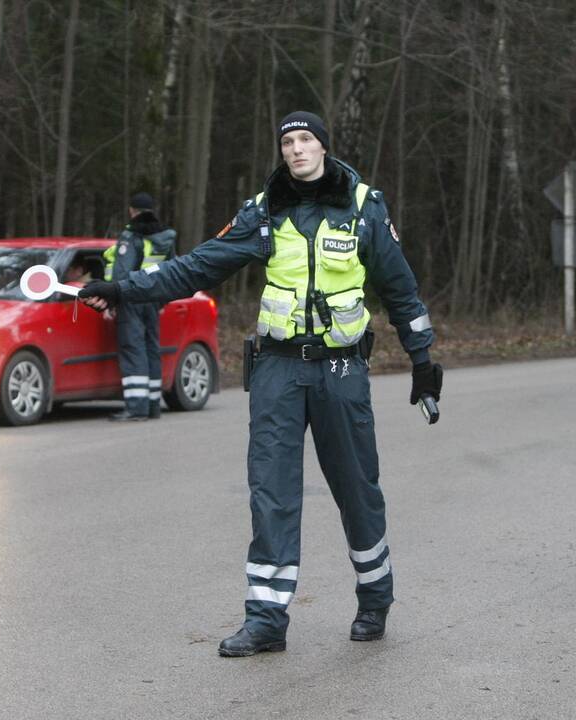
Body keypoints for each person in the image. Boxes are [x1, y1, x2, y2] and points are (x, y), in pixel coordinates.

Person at [80, 111, 442, 656]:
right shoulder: (264, 210)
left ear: (323, 146)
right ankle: (266, 618)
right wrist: (125, 288)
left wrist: (422, 361)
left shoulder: (364, 208)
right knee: (271, 492)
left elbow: (401, 290)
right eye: (287, 142)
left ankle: (375, 597)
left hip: (341, 369)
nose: (296, 150)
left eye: (305, 140)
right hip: (277, 368)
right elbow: (198, 266)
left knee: (356, 487)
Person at [103, 192, 176, 421]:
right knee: (151, 349)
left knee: (133, 349)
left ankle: (136, 407)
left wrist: (112, 300)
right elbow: (174, 272)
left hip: (133, 298)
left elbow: (122, 273)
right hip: (153, 299)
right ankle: (153, 405)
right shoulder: (165, 236)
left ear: (131, 210)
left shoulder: (130, 235)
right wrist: (162, 301)